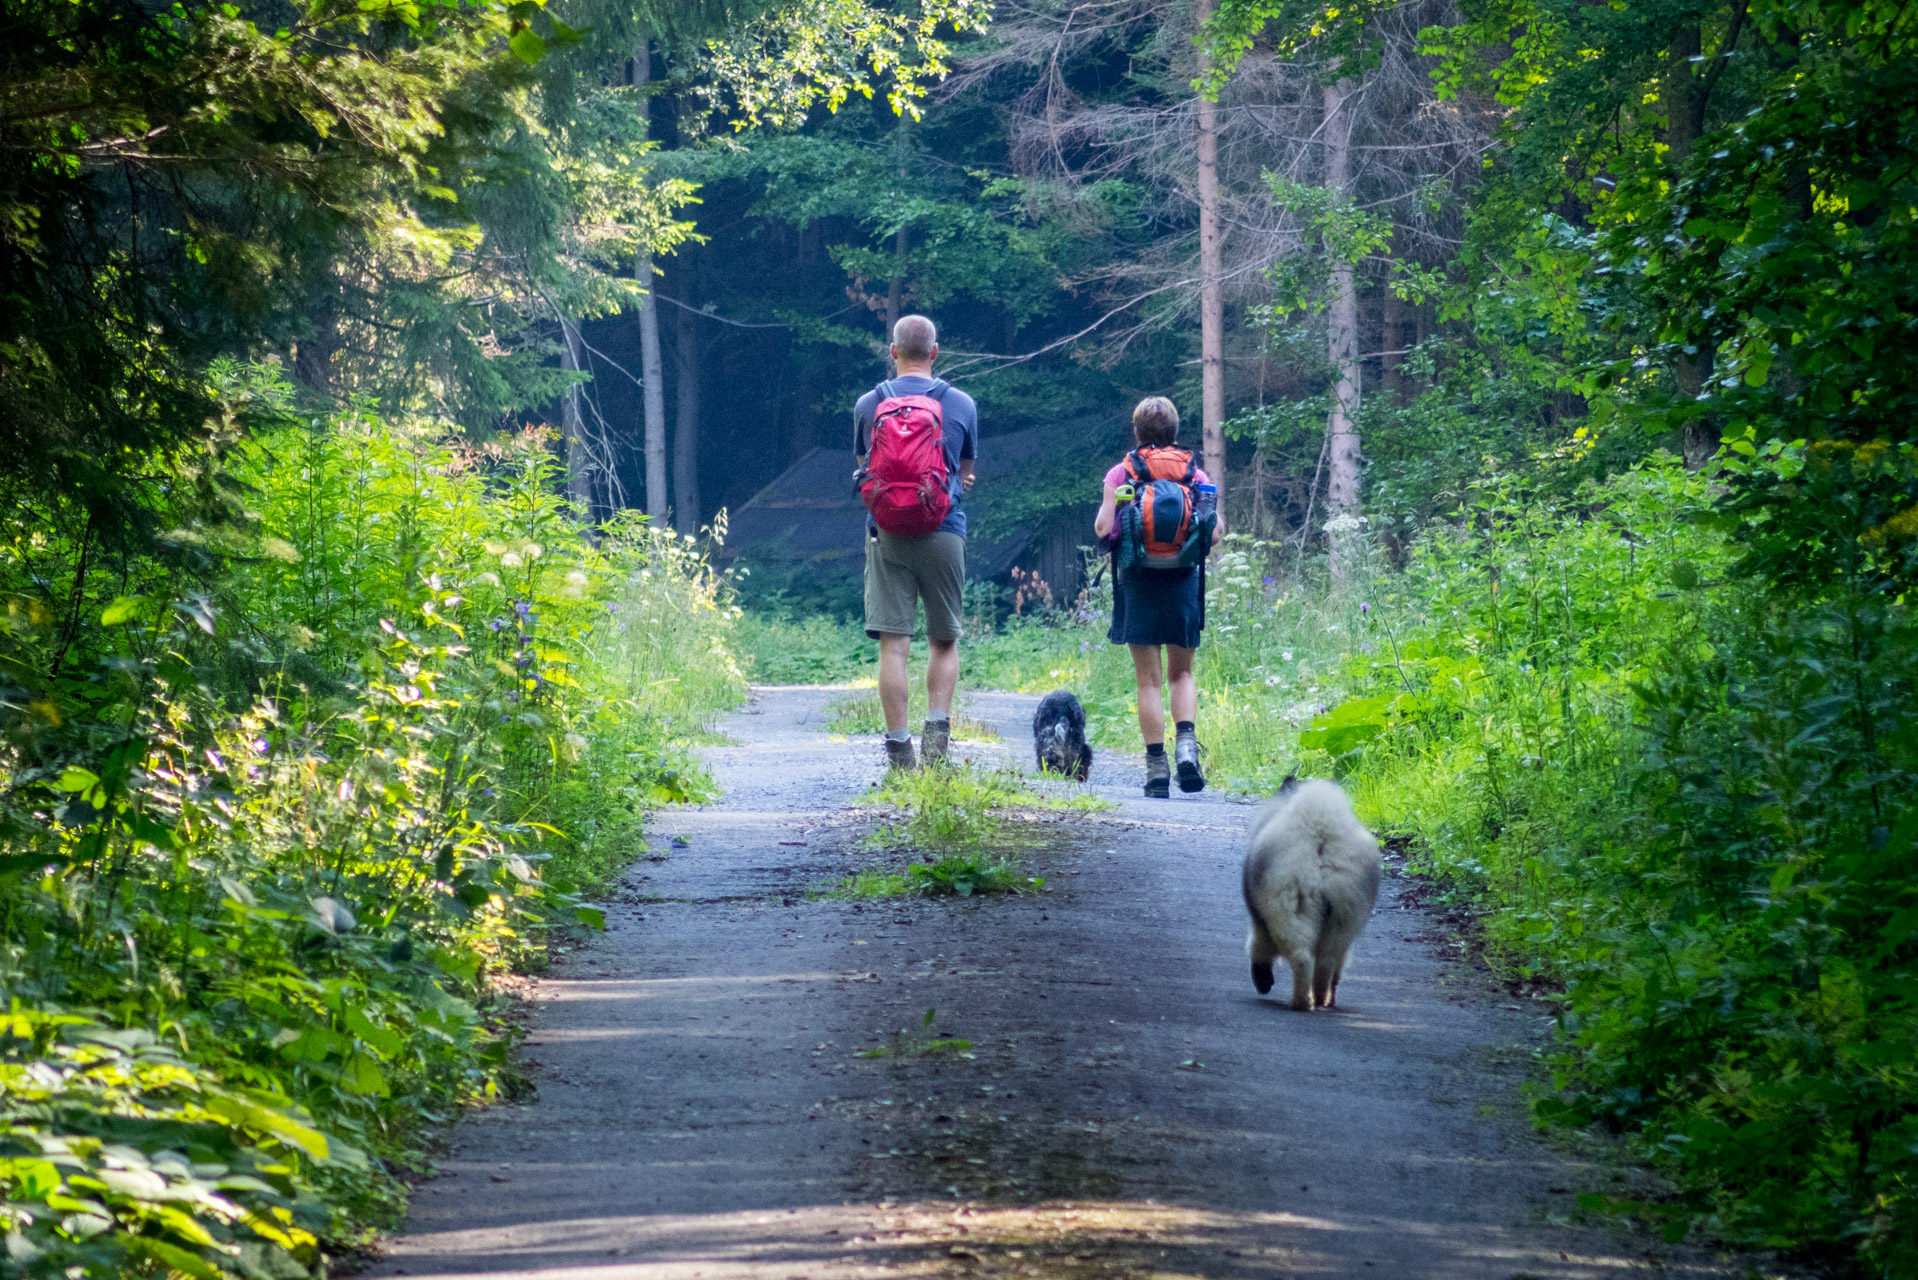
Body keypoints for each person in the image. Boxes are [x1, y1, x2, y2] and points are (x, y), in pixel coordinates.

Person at [853, 315, 978, 770]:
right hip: (945, 530)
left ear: (893, 352)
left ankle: (899, 751)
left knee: (894, 645)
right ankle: (938, 741)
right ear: (935, 353)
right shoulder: (960, 403)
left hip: (887, 533)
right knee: (943, 641)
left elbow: (865, 467)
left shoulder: (869, 403)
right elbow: (964, 472)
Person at [1093, 396, 1222, 797]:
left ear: (1137, 433)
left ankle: (1156, 770)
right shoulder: (1193, 473)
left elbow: (1102, 529)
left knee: (1147, 681)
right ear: (1174, 431)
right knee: (1182, 673)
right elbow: (1215, 532)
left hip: (1138, 579)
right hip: (1183, 578)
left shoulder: (1123, 472)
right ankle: (1187, 747)